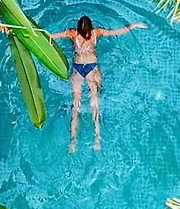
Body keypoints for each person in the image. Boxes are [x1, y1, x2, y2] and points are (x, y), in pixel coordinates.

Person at [51, 16, 148, 153]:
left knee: (76, 105)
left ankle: (73, 141)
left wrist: (30, 32)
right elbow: (117, 32)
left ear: (78, 28)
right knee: (95, 104)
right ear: (90, 27)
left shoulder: (72, 33)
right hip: (92, 69)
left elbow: (50, 36)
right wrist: (134, 25)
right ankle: (97, 139)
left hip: (77, 69)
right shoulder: (96, 33)